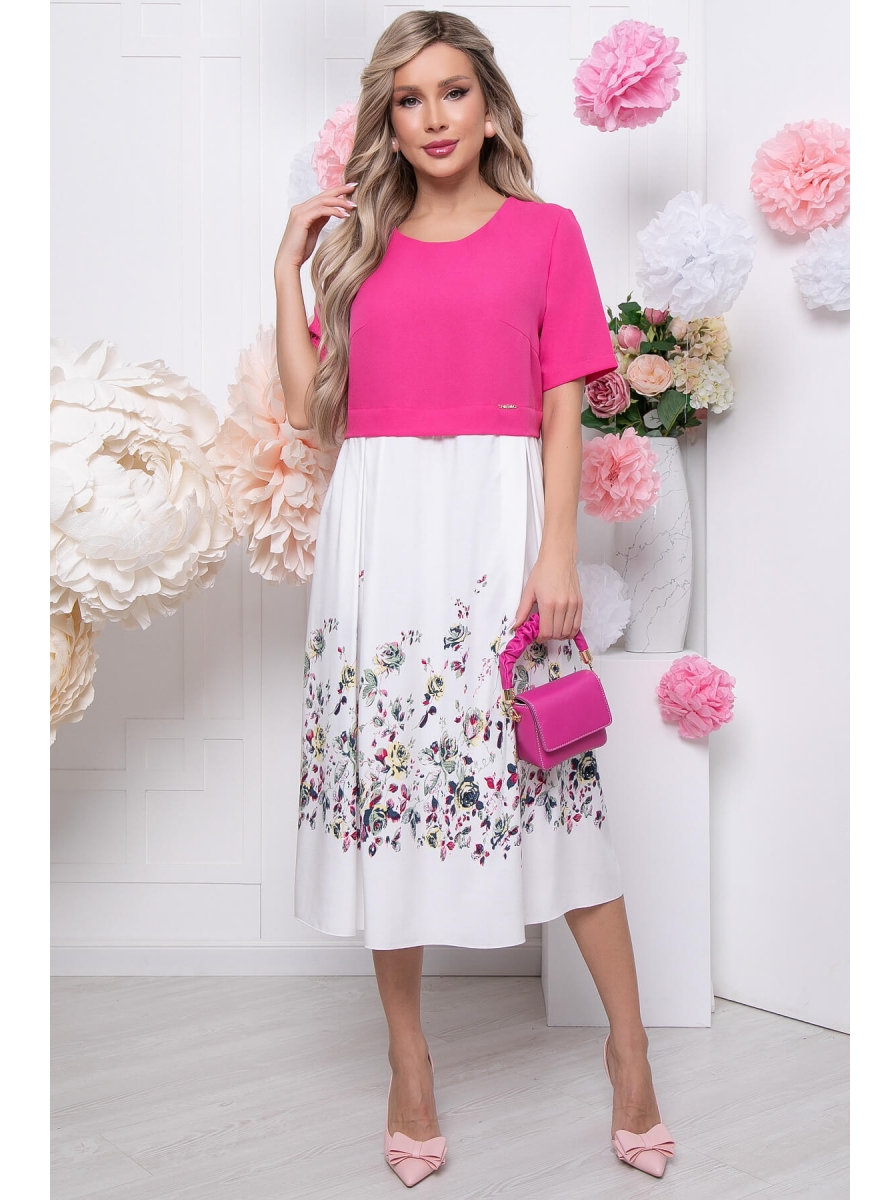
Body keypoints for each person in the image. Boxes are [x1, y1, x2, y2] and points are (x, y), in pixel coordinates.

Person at [274, 9, 675, 1186]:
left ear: (490, 107)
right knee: (392, 793)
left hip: (500, 525)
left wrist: (557, 553)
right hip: (378, 537)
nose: (434, 118)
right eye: (409, 100)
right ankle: (409, 1066)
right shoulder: (359, 249)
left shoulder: (548, 233)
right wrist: (287, 264)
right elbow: (309, 411)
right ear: (386, 121)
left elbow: (562, 406)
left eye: (453, 92)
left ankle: (631, 1051)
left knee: (560, 790)